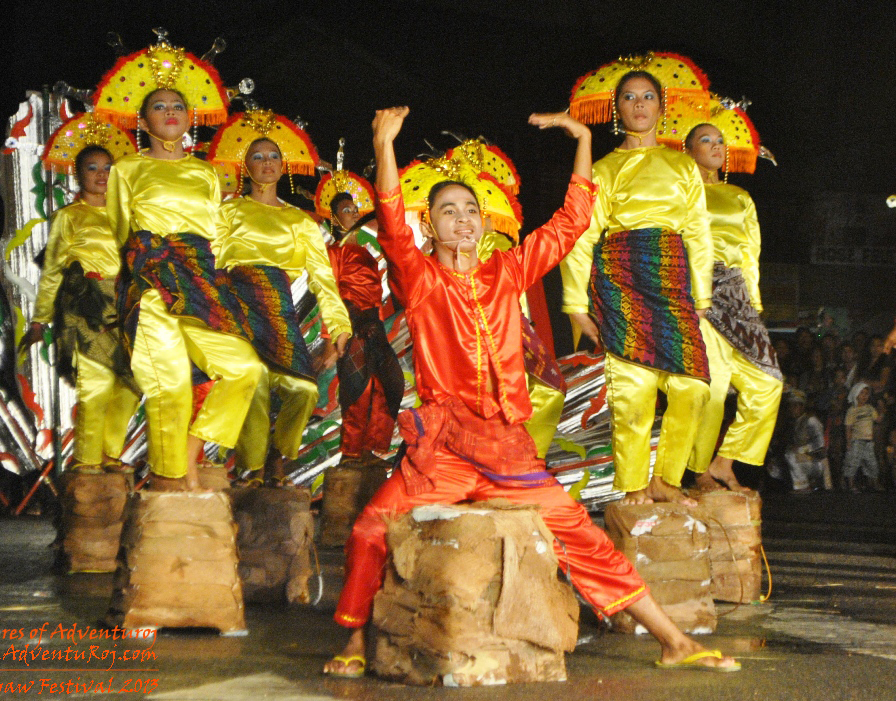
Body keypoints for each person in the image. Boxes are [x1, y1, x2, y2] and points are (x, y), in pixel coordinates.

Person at [323, 106, 739, 678]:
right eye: (448, 211)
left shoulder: (507, 271)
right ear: (431, 227)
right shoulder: (420, 280)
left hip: (507, 452)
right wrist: (383, 144)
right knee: (370, 528)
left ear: (484, 222)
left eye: (471, 210)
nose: (463, 220)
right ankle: (351, 639)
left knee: (583, 536)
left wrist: (583, 139)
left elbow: (571, 222)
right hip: (442, 453)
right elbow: (392, 223)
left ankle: (673, 640)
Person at [560, 71, 713, 506]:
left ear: (661, 107)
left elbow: (699, 233)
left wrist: (702, 296)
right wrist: (575, 304)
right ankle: (633, 486)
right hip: (621, 277)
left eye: (648, 96)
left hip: (670, 278)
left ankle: (666, 479)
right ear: (617, 109)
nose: (640, 104)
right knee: (634, 388)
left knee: (693, 387)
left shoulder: (683, 165)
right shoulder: (603, 169)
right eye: (629, 97)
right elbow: (582, 236)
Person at [107, 88, 264, 491]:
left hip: (199, 280)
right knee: (171, 387)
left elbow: (213, 232)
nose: (170, 112)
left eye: (178, 106)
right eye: (159, 107)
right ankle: (173, 484)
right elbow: (119, 231)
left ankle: (189, 455)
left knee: (245, 369)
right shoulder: (126, 169)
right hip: (151, 278)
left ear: (190, 117)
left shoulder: (204, 172)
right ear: (143, 122)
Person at [216, 138, 352, 486]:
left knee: (303, 389)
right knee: (253, 384)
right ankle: (253, 469)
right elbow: (209, 260)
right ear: (246, 165)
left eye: (274, 156)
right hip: (237, 304)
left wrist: (338, 326)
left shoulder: (299, 221)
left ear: (283, 165)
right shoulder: (228, 211)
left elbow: (323, 279)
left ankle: (277, 454)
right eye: (258, 156)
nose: (267, 162)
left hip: (278, 308)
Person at [23, 145, 140, 473]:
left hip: (126, 307)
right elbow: (53, 270)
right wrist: (40, 318)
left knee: (134, 384)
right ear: (78, 174)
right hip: (87, 306)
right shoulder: (69, 217)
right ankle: (87, 463)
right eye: (92, 168)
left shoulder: (129, 214)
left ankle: (109, 453)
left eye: (108, 168)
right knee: (97, 384)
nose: (101, 175)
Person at [680, 124, 783, 493]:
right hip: (701, 291)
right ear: (688, 150)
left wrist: (753, 304)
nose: (716, 146)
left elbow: (750, 252)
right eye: (706, 140)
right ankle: (699, 471)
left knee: (768, 383)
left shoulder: (740, 196)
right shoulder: (680, 192)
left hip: (737, 297)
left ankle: (725, 461)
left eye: (721, 141)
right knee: (716, 383)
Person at [326, 192, 404, 462]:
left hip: (374, 322)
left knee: (392, 383)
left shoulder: (369, 252)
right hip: (350, 320)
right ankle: (351, 454)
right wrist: (331, 335)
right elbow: (329, 293)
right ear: (334, 218)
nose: (355, 213)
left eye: (356, 209)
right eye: (347, 210)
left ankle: (371, 447)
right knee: (358, 389)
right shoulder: (334, 252)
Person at [843, 382, 882, 491]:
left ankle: (874, 484)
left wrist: (882, 410)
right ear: (856, 394)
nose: (864, 396)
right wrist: (848, 442)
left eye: (866, 394)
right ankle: (851, 485)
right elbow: (848, 428)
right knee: (852, 462)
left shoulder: (870, 408)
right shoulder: (852, 410)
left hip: (868, 441)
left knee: (872, 463)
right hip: (856, 441)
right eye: (862, 393)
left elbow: (878, 419)